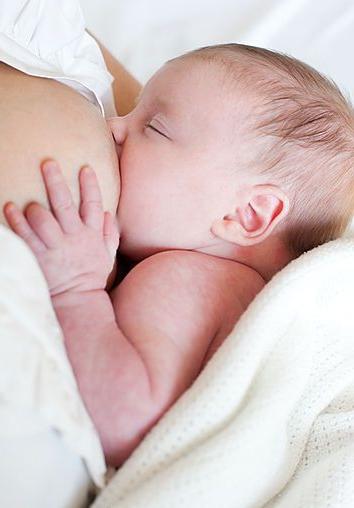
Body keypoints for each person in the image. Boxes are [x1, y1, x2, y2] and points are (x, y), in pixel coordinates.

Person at [5, 43, 354, 470]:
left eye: (154, 127)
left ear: (246, 215)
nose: (113, 127)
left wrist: (76, 291)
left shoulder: (192, 280)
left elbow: (126, 425)